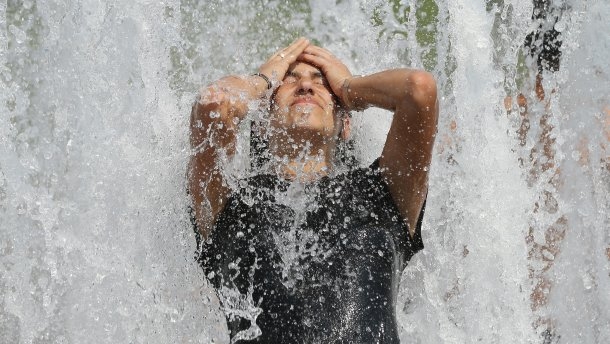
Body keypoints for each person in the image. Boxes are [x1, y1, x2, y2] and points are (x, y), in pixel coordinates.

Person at [188, 37, 438, 343]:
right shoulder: (232, 204)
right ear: (263, 121)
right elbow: (214, 103)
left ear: (345, 124)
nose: (305, 86)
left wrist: (348, 87)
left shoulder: (382, 194)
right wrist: (264, 80)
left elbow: (418, 89)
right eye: (289, 80)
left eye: (321, 83)